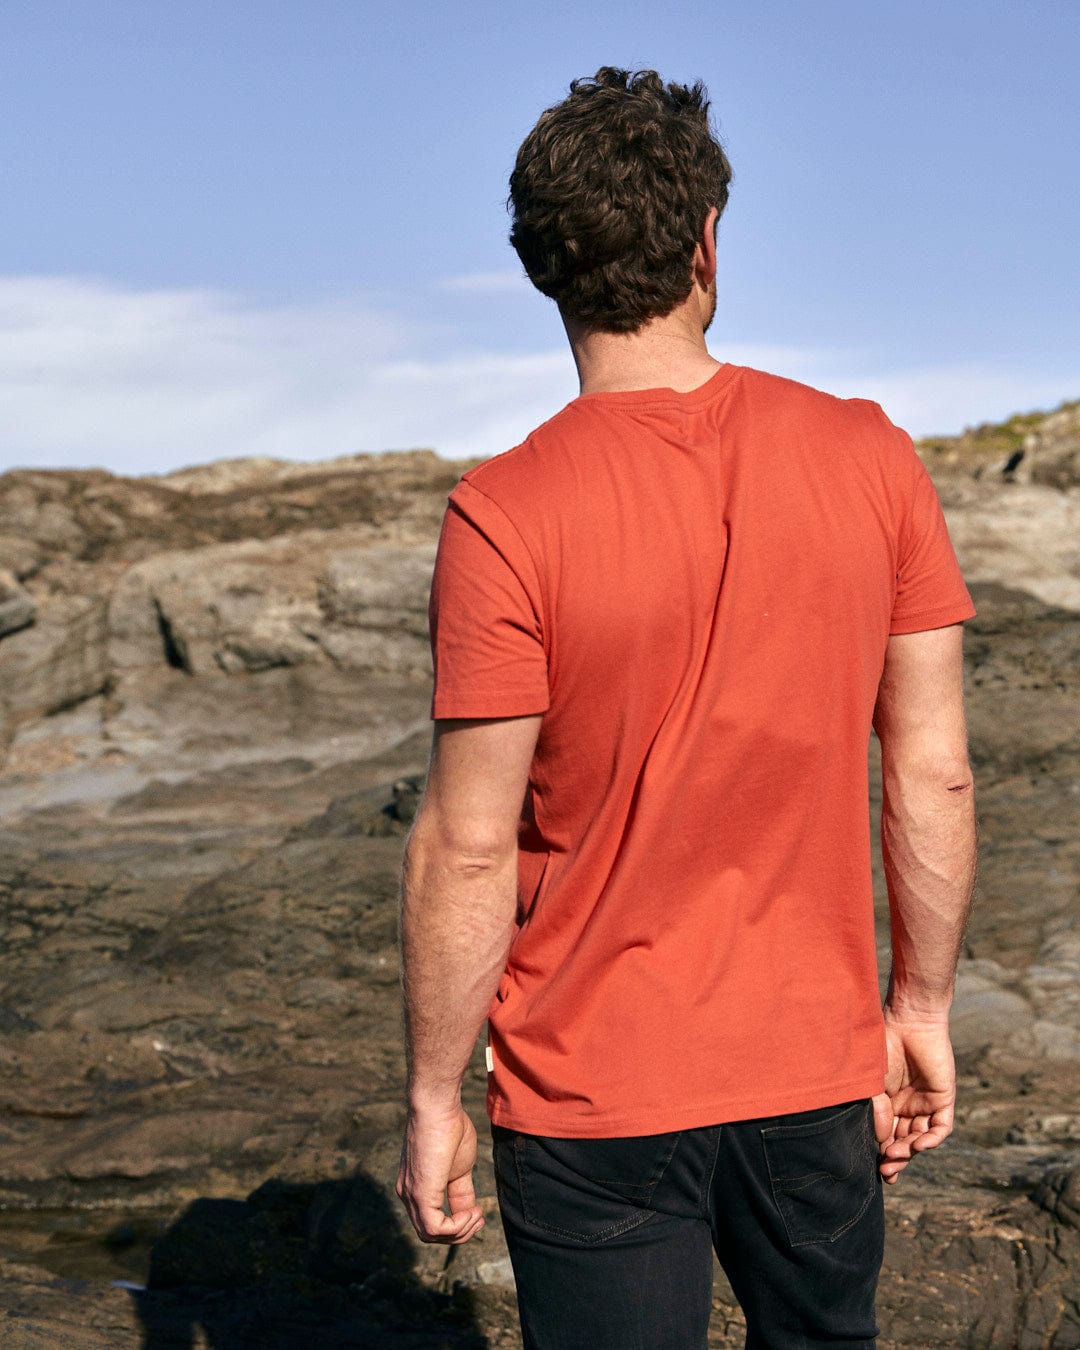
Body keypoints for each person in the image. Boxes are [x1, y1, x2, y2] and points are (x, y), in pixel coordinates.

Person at [396, 67, 977, 1349]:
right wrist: (920, 1008)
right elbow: (930, 770)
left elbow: (469, 844)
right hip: (814, 1072)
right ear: (709, 241)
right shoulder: (871, 454)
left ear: (542, 267)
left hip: (590, 1088)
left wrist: (435, 1094)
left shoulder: (504, 514)